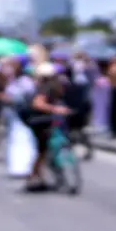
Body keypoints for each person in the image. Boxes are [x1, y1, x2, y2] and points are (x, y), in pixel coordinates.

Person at [24, 61, 70, 192]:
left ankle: (37, 175)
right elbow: (38, 104)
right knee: (42, 151)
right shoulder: (45, 87)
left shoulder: (43, 86)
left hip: (42, 121)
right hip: (40, 122)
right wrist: (55, 109)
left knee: (43, 151)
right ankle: (34, 175)